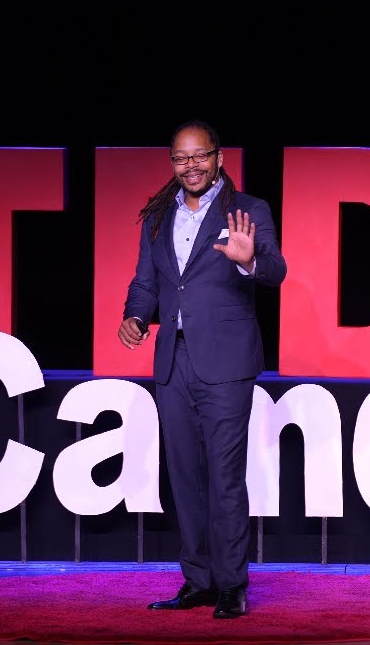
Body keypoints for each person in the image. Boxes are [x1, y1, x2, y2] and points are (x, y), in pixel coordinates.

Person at [118, 119, 287, 619]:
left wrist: (248, 260)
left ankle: (232, 584)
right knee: (184, 477)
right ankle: (198, 580)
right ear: (172, 163)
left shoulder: (248, 209)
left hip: (227, 362)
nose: (190, 165)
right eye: (180, 157)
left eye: (199, 155)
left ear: (218, 158)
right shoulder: (158, 215)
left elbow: (276, 269)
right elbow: (146, 282)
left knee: (225, 476)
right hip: (173, 361)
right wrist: (135, 316)